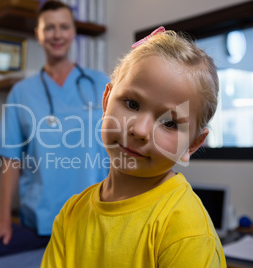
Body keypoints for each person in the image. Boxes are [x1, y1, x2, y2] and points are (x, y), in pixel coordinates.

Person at [41, 27, 227, 267]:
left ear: (192, 143)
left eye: (169, 123)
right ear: (107, 100)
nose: (139, 130)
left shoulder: (186, 230)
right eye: (132, 103)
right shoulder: (71, 213)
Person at [0, 0, 110, 254]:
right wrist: (3, 221)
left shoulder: (102, 83)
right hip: (42, 221)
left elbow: (120, 148)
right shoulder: (22, 92)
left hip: (97, 215)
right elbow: (11, 160)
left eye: (64, 27)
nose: (57, 34)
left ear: (73, 33)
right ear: (37, 33)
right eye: (49, 28)